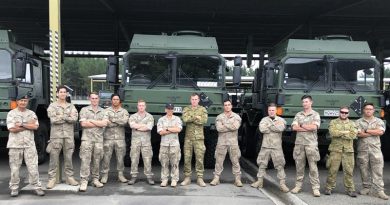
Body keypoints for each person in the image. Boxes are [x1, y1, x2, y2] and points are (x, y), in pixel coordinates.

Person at [6, 94, 45, 197]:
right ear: (17, 101)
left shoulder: (31, 113)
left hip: (29, 145)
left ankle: (37, 186)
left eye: (25, 101)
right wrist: (28, 125)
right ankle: (14, 188)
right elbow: (12, 129)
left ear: (27, 102)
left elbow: (36, 126)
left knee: (33, 167)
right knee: (14, 168)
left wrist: (22, 124)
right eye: (21, 100)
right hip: (15, 145)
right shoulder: (11, 114)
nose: (23, 102)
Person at [251, 103, 289, 192]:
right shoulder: (264, 119)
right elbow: (262, 129)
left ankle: (282, 184)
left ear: (276, 111)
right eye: (270, 110)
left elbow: (280, 128)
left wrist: (269, 126)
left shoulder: (281, 120)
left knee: (280, 165)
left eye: (273, 110)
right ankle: (259, 181)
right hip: (266, 146)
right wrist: (274, 126)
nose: (271, 112)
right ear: (267, 111)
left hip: (276, 147)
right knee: (262, 164)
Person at [46, 85, 79, 189]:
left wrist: (60, 116)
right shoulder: (52, 106)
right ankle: (52, 179)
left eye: (64, 92)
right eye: (61, 92)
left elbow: (74, 119)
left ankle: (70, 177)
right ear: (57, 93)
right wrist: (67, 117)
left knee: (68, 158)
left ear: (66, 94)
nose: (63, 94)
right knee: (53, 158)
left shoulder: (71, 106)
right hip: (56, 136)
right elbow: (53, 120)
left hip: (68, 136)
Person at [290, 95, 321, 197]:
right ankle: (298, 186)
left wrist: (302, 125)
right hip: (299, 144)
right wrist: (307, 127)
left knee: (313, 167)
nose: (305, 104)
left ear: (311, 102)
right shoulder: (298, 115)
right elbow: (294, 127)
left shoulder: (315, 114)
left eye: (306, 102)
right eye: (303, 102)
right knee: (299, 167)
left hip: (311, 145)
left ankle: (315, 188)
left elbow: (314, 127)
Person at [356, 103, 388, 200]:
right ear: (363, 110)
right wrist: (373, 131)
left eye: (370, 109)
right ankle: (366, 187)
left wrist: (366, 130)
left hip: (375, 150)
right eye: (366, 109)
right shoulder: (357, 122)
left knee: (378, 170)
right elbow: (358, 134)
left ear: (373, 110)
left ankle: (380, 191)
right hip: (363, 150)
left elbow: (380, 132)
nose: (368, 111)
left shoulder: (379, 121)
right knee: (363, 169)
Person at [325, 106, 358, 197]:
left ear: (348, 114)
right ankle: (329, 188)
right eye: (342, 112)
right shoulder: (333, 122)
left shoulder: (352, 123)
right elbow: (332, 133)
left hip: (348, 151)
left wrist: (340, 133)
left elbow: (353, 135)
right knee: (332, 170)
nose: (344, 114)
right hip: (335, 149)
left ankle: (350, 189)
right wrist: (346, 132)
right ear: (339, 112)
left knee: (349, 171)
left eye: (346, 112)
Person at [78, 92, 108, 192]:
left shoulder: (103, 111)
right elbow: (83, 124)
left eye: (96, 98)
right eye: (92, 98)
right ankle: (84, 181)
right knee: (85, 161)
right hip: (87, 140)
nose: (94, 100)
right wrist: (98, 124)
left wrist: (91, 121)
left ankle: (95, 179)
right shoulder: (84, 110)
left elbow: (104, 123)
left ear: (98, 99)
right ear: (89, 99)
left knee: (97, 160)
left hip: (98, 140)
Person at [210, 99, 243, 187]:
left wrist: (224, 124)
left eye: (229, 105)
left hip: (233, 143)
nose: (227, 106)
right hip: (222, 142)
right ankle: (216, 178)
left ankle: (237, 179)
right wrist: (229, 125)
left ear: (231, 106)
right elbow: (219, 129)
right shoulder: (219, 117)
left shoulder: (237, 117)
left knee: (235, 161)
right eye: (225, 105)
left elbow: (235, 127)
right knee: (219, 161)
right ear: (223, 106)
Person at [100, 94, 130, 184]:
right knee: (106, 158)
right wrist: (118, 121)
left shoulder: (124, 111)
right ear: (111, 100)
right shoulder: (105, 111)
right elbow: (105, 122)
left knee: (120, 158)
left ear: (119, 101)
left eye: (117, 99)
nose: (115, 101)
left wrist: (112, 120)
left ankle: (120, 175)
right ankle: (105, 175)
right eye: (114, 99)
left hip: (120, 139)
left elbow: (124, 122)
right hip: (108, 138)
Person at [181, 93, 208, 187]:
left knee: (199, 158)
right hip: (188, 138)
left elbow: (204, 120)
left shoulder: (203, 109)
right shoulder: (186, 109)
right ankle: (187, 177)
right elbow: (185, 119)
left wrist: (191, 118)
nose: (194, 101)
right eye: (192, 99)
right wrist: (196, 117)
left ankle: (200, 178)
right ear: (190, 100)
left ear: (198, 100)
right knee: (187, 158)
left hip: (199, 139)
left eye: (196, 99)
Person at [128, 99, 155, 185]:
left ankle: (149, 177)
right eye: (139, 105)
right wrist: (143, 126)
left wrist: (137, 127)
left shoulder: (150, 117)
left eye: (142, 105)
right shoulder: (132, 116)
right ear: (137, 106)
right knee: (134, 159)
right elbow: (132, 125)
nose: (141, 107)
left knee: (147, 160)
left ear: (145, 106)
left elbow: (149, 127)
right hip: (135, 142)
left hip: (146, 143)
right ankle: (133, 177)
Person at [157, 103, 183, 187]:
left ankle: (174, 180)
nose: (170, 110)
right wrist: (173, 129)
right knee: (164, 163)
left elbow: (178, 129)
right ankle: (164, 179)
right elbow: (161, 132)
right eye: (168, 108)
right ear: (165, 109)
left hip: (174, 145)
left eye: (171, 109)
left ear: (173, 110)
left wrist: (167, 128)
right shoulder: (161, 119)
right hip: (164, 145)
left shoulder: (177, 119)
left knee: (175, 163)